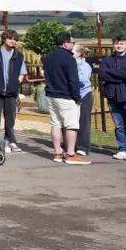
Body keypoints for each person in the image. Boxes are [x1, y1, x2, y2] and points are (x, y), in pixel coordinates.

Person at [43, 33, 88, 165]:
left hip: (51, 94)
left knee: (56, 124)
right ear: (65, 43)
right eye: (72, 42)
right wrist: (77, 97)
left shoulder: (48, 56)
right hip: (65, 95)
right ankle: (71, 154)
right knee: (72, 125)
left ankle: (57, 152)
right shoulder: (69, 58)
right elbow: (73, 80)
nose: (73, 45)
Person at [99, 36, 126, 161]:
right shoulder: (107, 60)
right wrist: (120, 77)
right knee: (119, 125)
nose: (119, 46)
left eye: (121, 44)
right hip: (113, 96)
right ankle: (123, 148)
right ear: (113, 45)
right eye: (116, 44)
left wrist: (110, 72)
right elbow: (102, 74)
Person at [74, 44, 95, 156]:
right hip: (74, 96)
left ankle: (83, 146)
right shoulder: (72, 65)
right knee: (73, 121)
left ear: (79, 54)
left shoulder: (85, 66)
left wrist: (70, 78)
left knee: (84, 121)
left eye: (72, 52)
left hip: (85, 95)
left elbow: (82, 80)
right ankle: (72, 144)